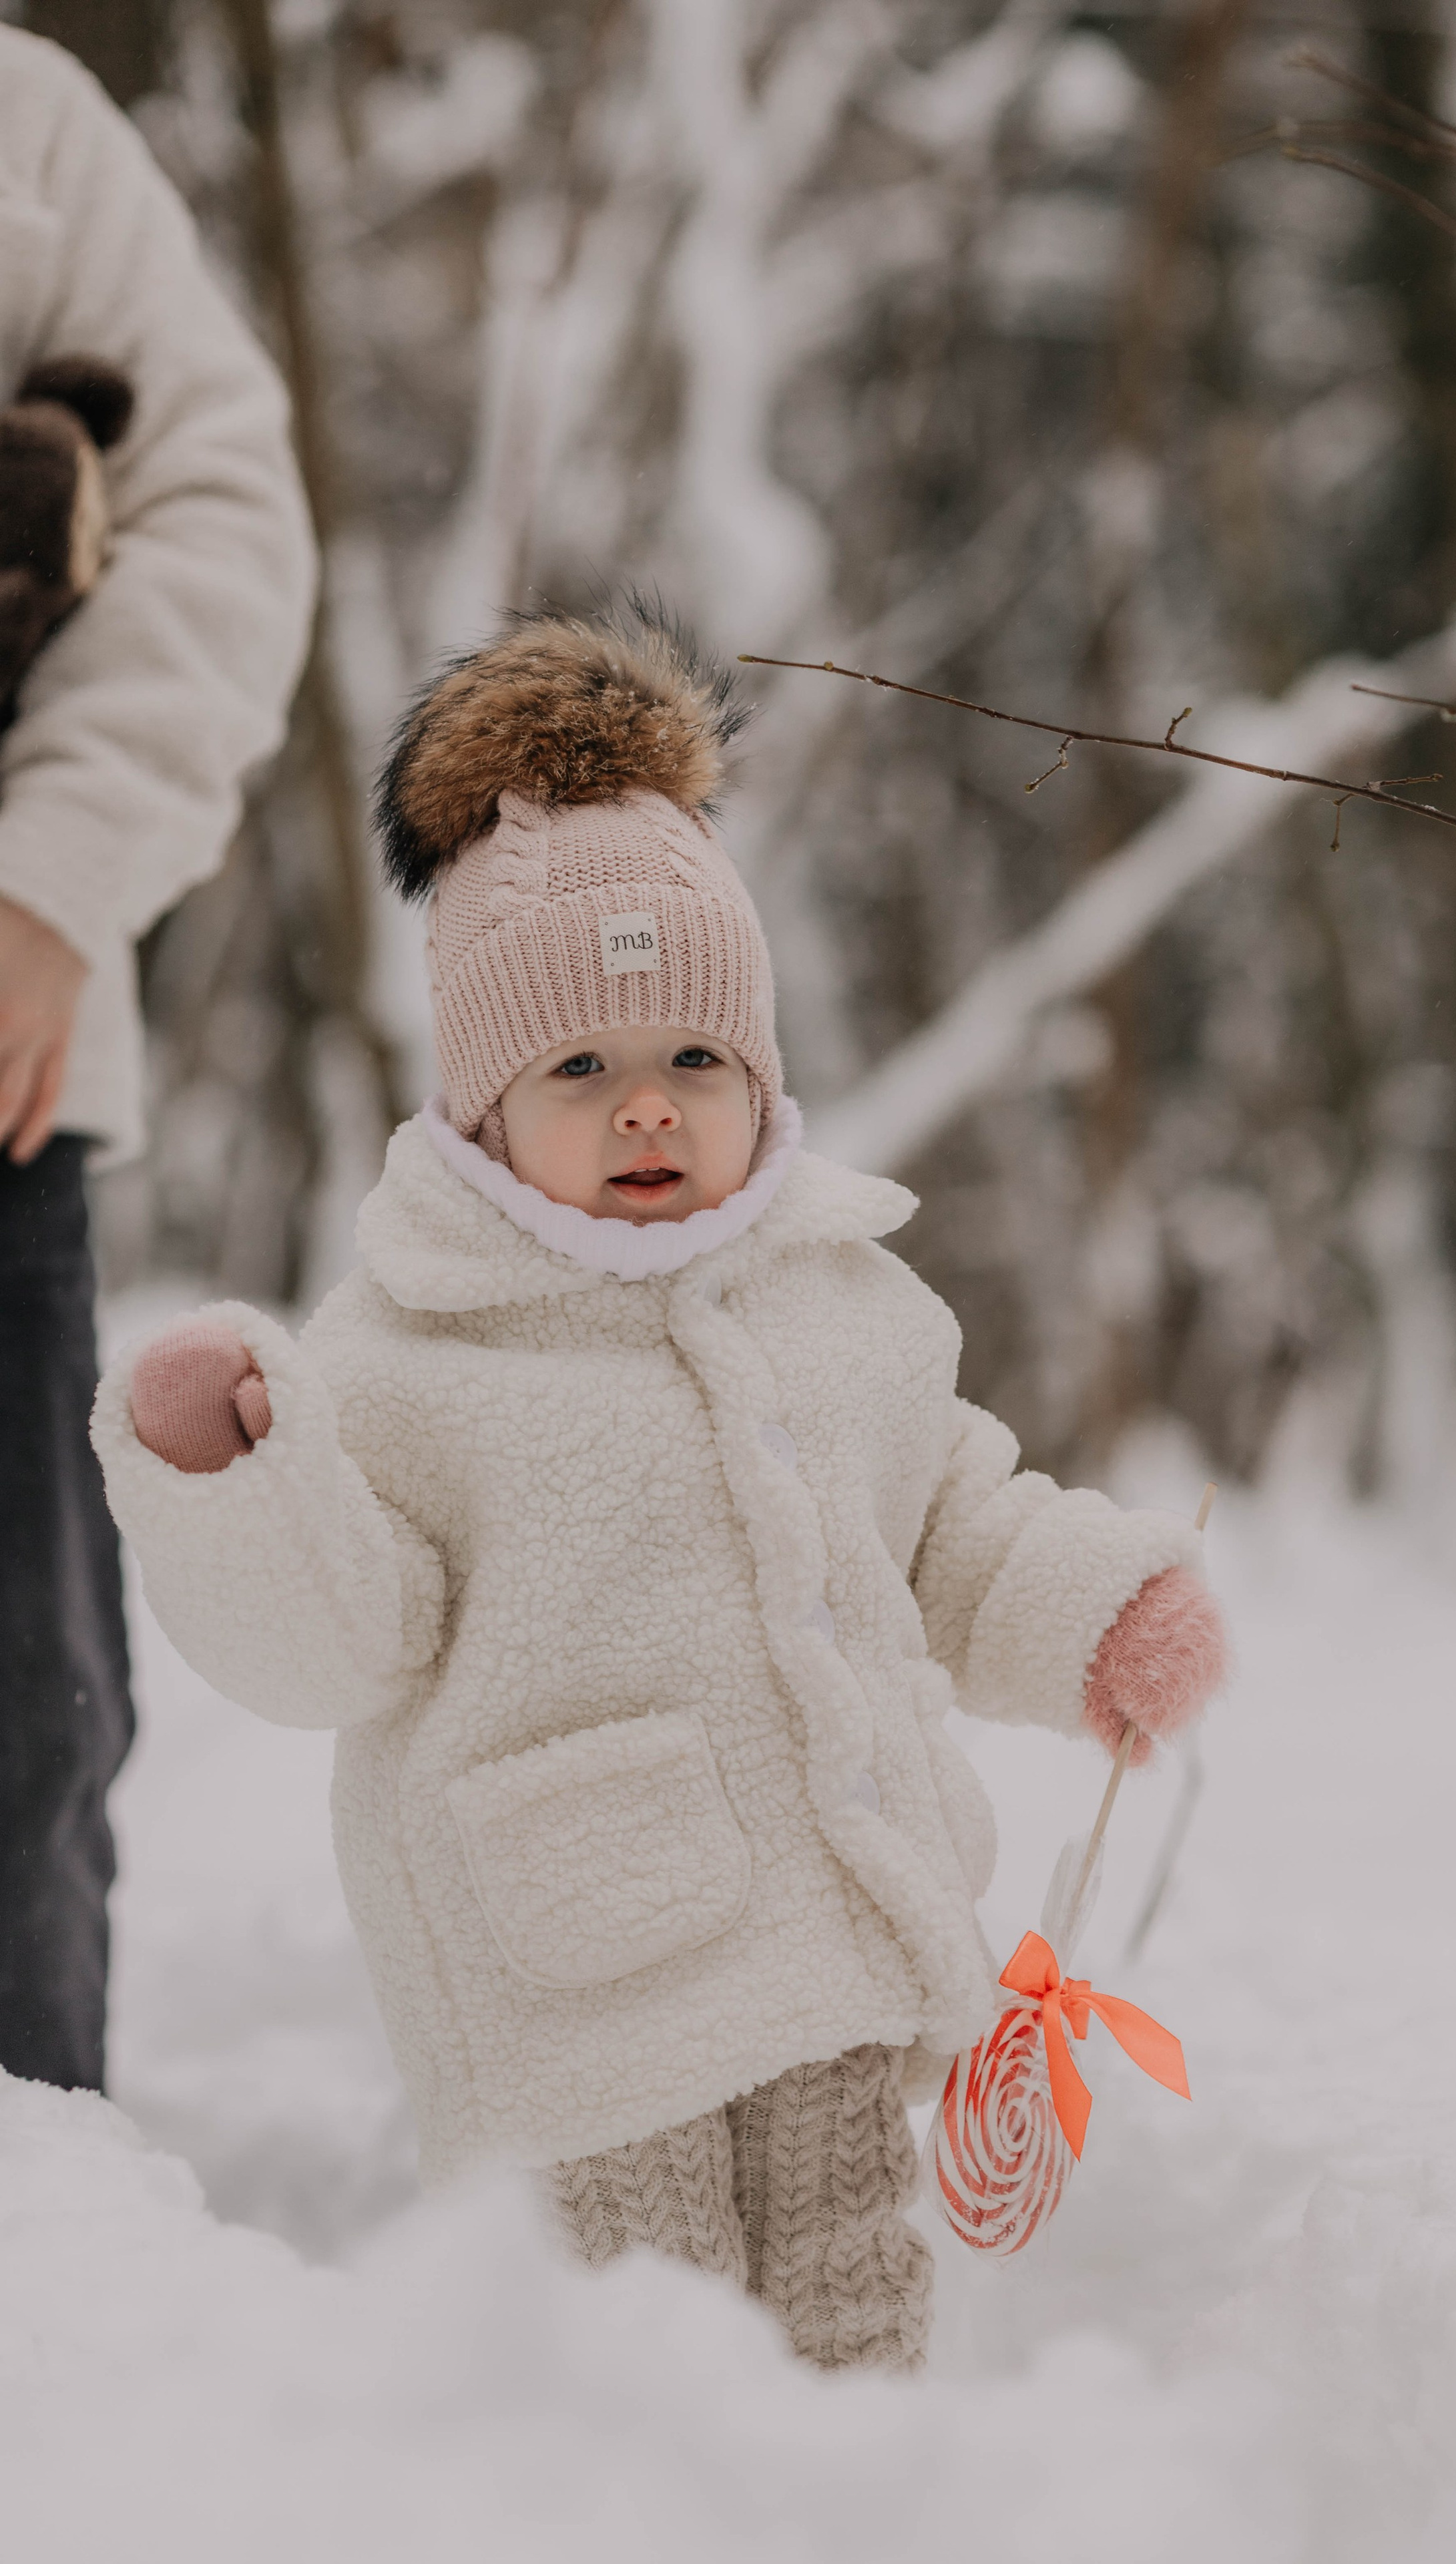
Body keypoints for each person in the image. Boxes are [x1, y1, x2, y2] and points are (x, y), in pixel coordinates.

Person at [91, 610, 1226, 2373]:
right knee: (647, 2347)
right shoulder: (409, 1353)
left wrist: (1092, 1611)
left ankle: (865, 2489)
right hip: (580, 1991)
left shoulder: (842, 1299)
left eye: (694, 1059)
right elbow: (334, 1645)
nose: (648, 1110)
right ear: (485, 1109)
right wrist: (236, 1480)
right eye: (582, 1069)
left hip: (840, 1944)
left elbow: (946, 1518)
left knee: (854, 2299)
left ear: (759, 1073)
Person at [0, 27, 315, 2091]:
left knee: (13, 1736)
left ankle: (39, 2228)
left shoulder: (22, 128)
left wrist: (51, 885)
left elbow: (218, 508)